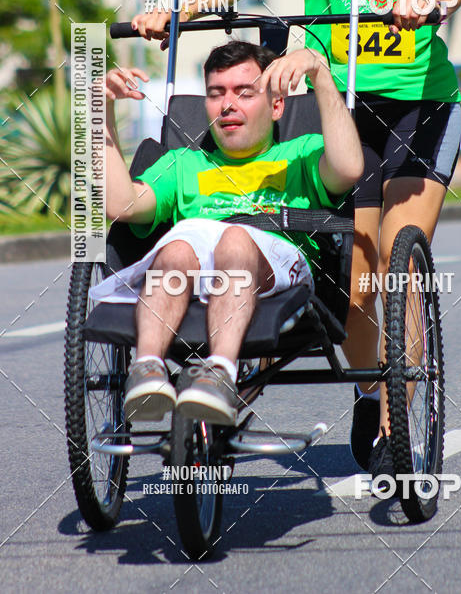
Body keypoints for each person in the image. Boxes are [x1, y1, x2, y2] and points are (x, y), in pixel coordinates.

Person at [132, 0, 461, 474]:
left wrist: (431, 0)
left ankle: (393, 413)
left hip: (419, 100)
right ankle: (363, 381)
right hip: (337, 99)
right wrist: (177, 4)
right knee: (355, 271)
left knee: (393, 267)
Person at [92, 42, 363, 426]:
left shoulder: (302, 153)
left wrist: (319, 74)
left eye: (245, 92)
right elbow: (122, 206)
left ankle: (219, 374)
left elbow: (350, 168)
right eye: (216, 93)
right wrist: (99, 113)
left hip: (276, 271)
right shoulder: (183, 163)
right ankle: (147, 370)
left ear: (276, 105)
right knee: (178, 247)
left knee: (235, 239)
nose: (227, 104)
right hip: (195, 273)